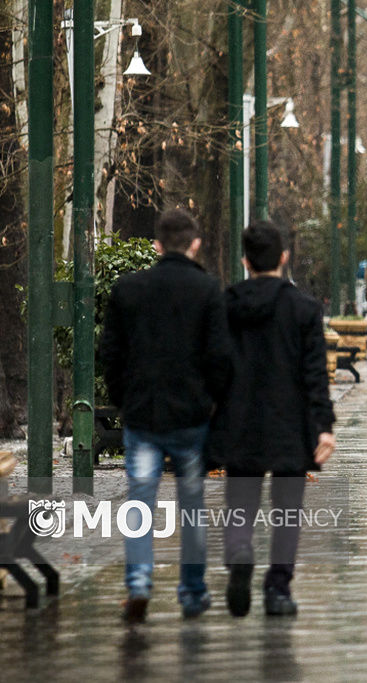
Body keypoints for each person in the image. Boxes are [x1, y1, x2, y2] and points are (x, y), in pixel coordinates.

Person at [100, 207, 233, 623]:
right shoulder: (207, 290)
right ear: (194, 244)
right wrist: (212, 402)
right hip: (191, 416)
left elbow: (110, 355)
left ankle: (139, 581)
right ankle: (192, 590)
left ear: (156, 245)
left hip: (142, 415)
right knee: (192, 505)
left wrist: (126, 401)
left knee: (139, 500)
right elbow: (219, 357)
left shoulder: (128, 289)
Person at [206, 220, 336, 617]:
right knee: (287, 511)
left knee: (240, 503)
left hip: (239, 421)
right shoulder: (303, 309)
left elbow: (214, 368)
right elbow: (314, 373)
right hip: (289, 424)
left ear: (245, 261)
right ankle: (278, 587)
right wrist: (324, 426)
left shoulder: (226, 305)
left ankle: (240, 551)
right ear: (284, 257)